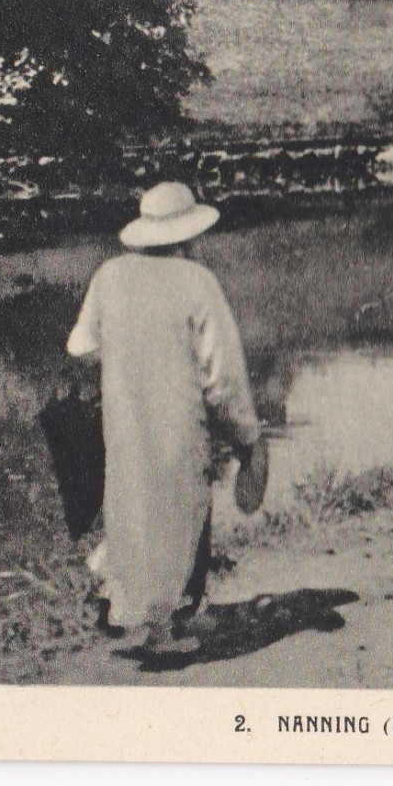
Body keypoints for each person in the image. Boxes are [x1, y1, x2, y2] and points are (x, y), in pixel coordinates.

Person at [66, 182, 263, 655]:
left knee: (132, 505)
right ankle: (167, 627)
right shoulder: (197, 282)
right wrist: (246, 435)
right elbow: (223, 376)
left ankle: (141, 611)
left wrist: (127, 357)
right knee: (186, 505)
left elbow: (80, 345)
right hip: (180, 415)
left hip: (127, 414)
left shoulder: (109, 276)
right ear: (186, 234)